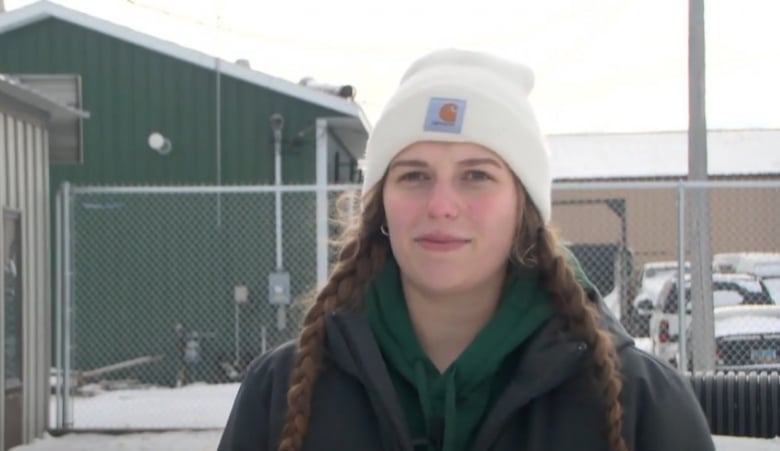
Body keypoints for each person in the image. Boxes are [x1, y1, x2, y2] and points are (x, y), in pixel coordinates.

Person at [217, 48, 715, 451]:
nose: (442, 205)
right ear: (380, 206)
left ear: (523, 207)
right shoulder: (281, 394)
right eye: (414, 175)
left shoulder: (638, 401)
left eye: (476, 175)